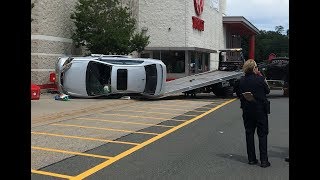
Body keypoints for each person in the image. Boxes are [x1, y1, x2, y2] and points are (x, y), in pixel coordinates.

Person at [235, 59, 271, 168]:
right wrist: (260, 76)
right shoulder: (260, 79)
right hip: (260, 110)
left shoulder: (240, 80)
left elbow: (238, 94)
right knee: (262, 134)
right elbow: (267, 91)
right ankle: (264, 160)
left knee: (249, 133)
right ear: (254, 68)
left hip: (247, 110)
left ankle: (251, 159)